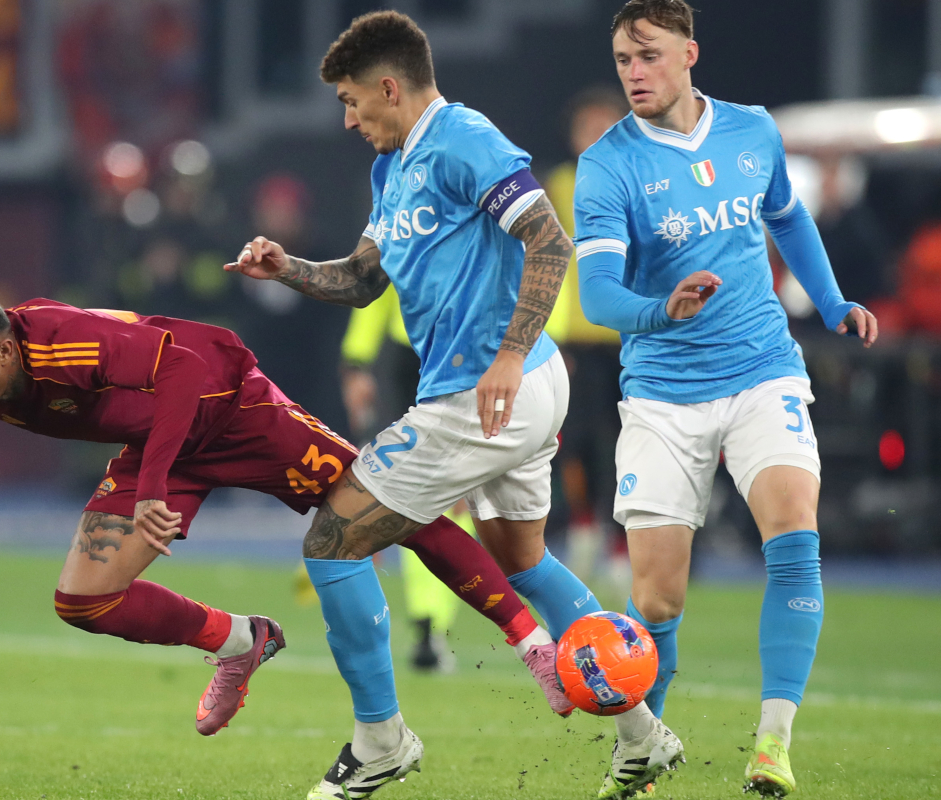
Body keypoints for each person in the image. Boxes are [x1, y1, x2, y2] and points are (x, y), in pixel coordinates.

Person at [0, 292, 553, 743]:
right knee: (82, 600)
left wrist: (152, 488)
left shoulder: (63, 340)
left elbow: (186, 374)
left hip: (239, 413)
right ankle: (241, 642)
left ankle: (531, 643)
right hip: (160, 445)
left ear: (5, 348)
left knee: (396, 513)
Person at [228, 12, 644, 799]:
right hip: (510, 387)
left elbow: (549, 242)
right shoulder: (394, 169)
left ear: (391, 86)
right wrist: (288, 268)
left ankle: (380, 741)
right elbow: (361, 281)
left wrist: (509, 357)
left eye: (353, 102)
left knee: (332, 541)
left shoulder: (463, 140)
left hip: (491, 388)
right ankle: (643, 734)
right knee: (523, 560)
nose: (349, 120)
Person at [574, 2, 879, 797]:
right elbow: (600, 294)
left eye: (646, 56)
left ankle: (772, 744)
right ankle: (642, 752)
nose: (633, 72)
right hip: (664, 396)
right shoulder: (610, 165)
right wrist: (660, 310)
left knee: (793, 535)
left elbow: (788, 217)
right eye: (621, 60)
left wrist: (835, 301)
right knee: (656, 598)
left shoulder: (753, 132)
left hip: (760, 371)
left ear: (689, 53)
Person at [340, 285, 466, 672]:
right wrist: (356, 364)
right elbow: (376, 277)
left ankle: (427, 625)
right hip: (435, 359)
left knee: (436, 496)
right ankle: (431, 625)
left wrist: (356, 362)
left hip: (444, 358)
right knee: (444, 496)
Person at [543, 87, 630, 590]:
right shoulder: (556, 186)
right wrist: (548, 336)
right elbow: (544, 265)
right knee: (571, 441)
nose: (596, 136)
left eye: (606, 125)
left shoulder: (640, 182)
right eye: (588, 126)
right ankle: (582, 528)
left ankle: (621, 540)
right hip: (573, 339)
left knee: (625, 443)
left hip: (627, 336)